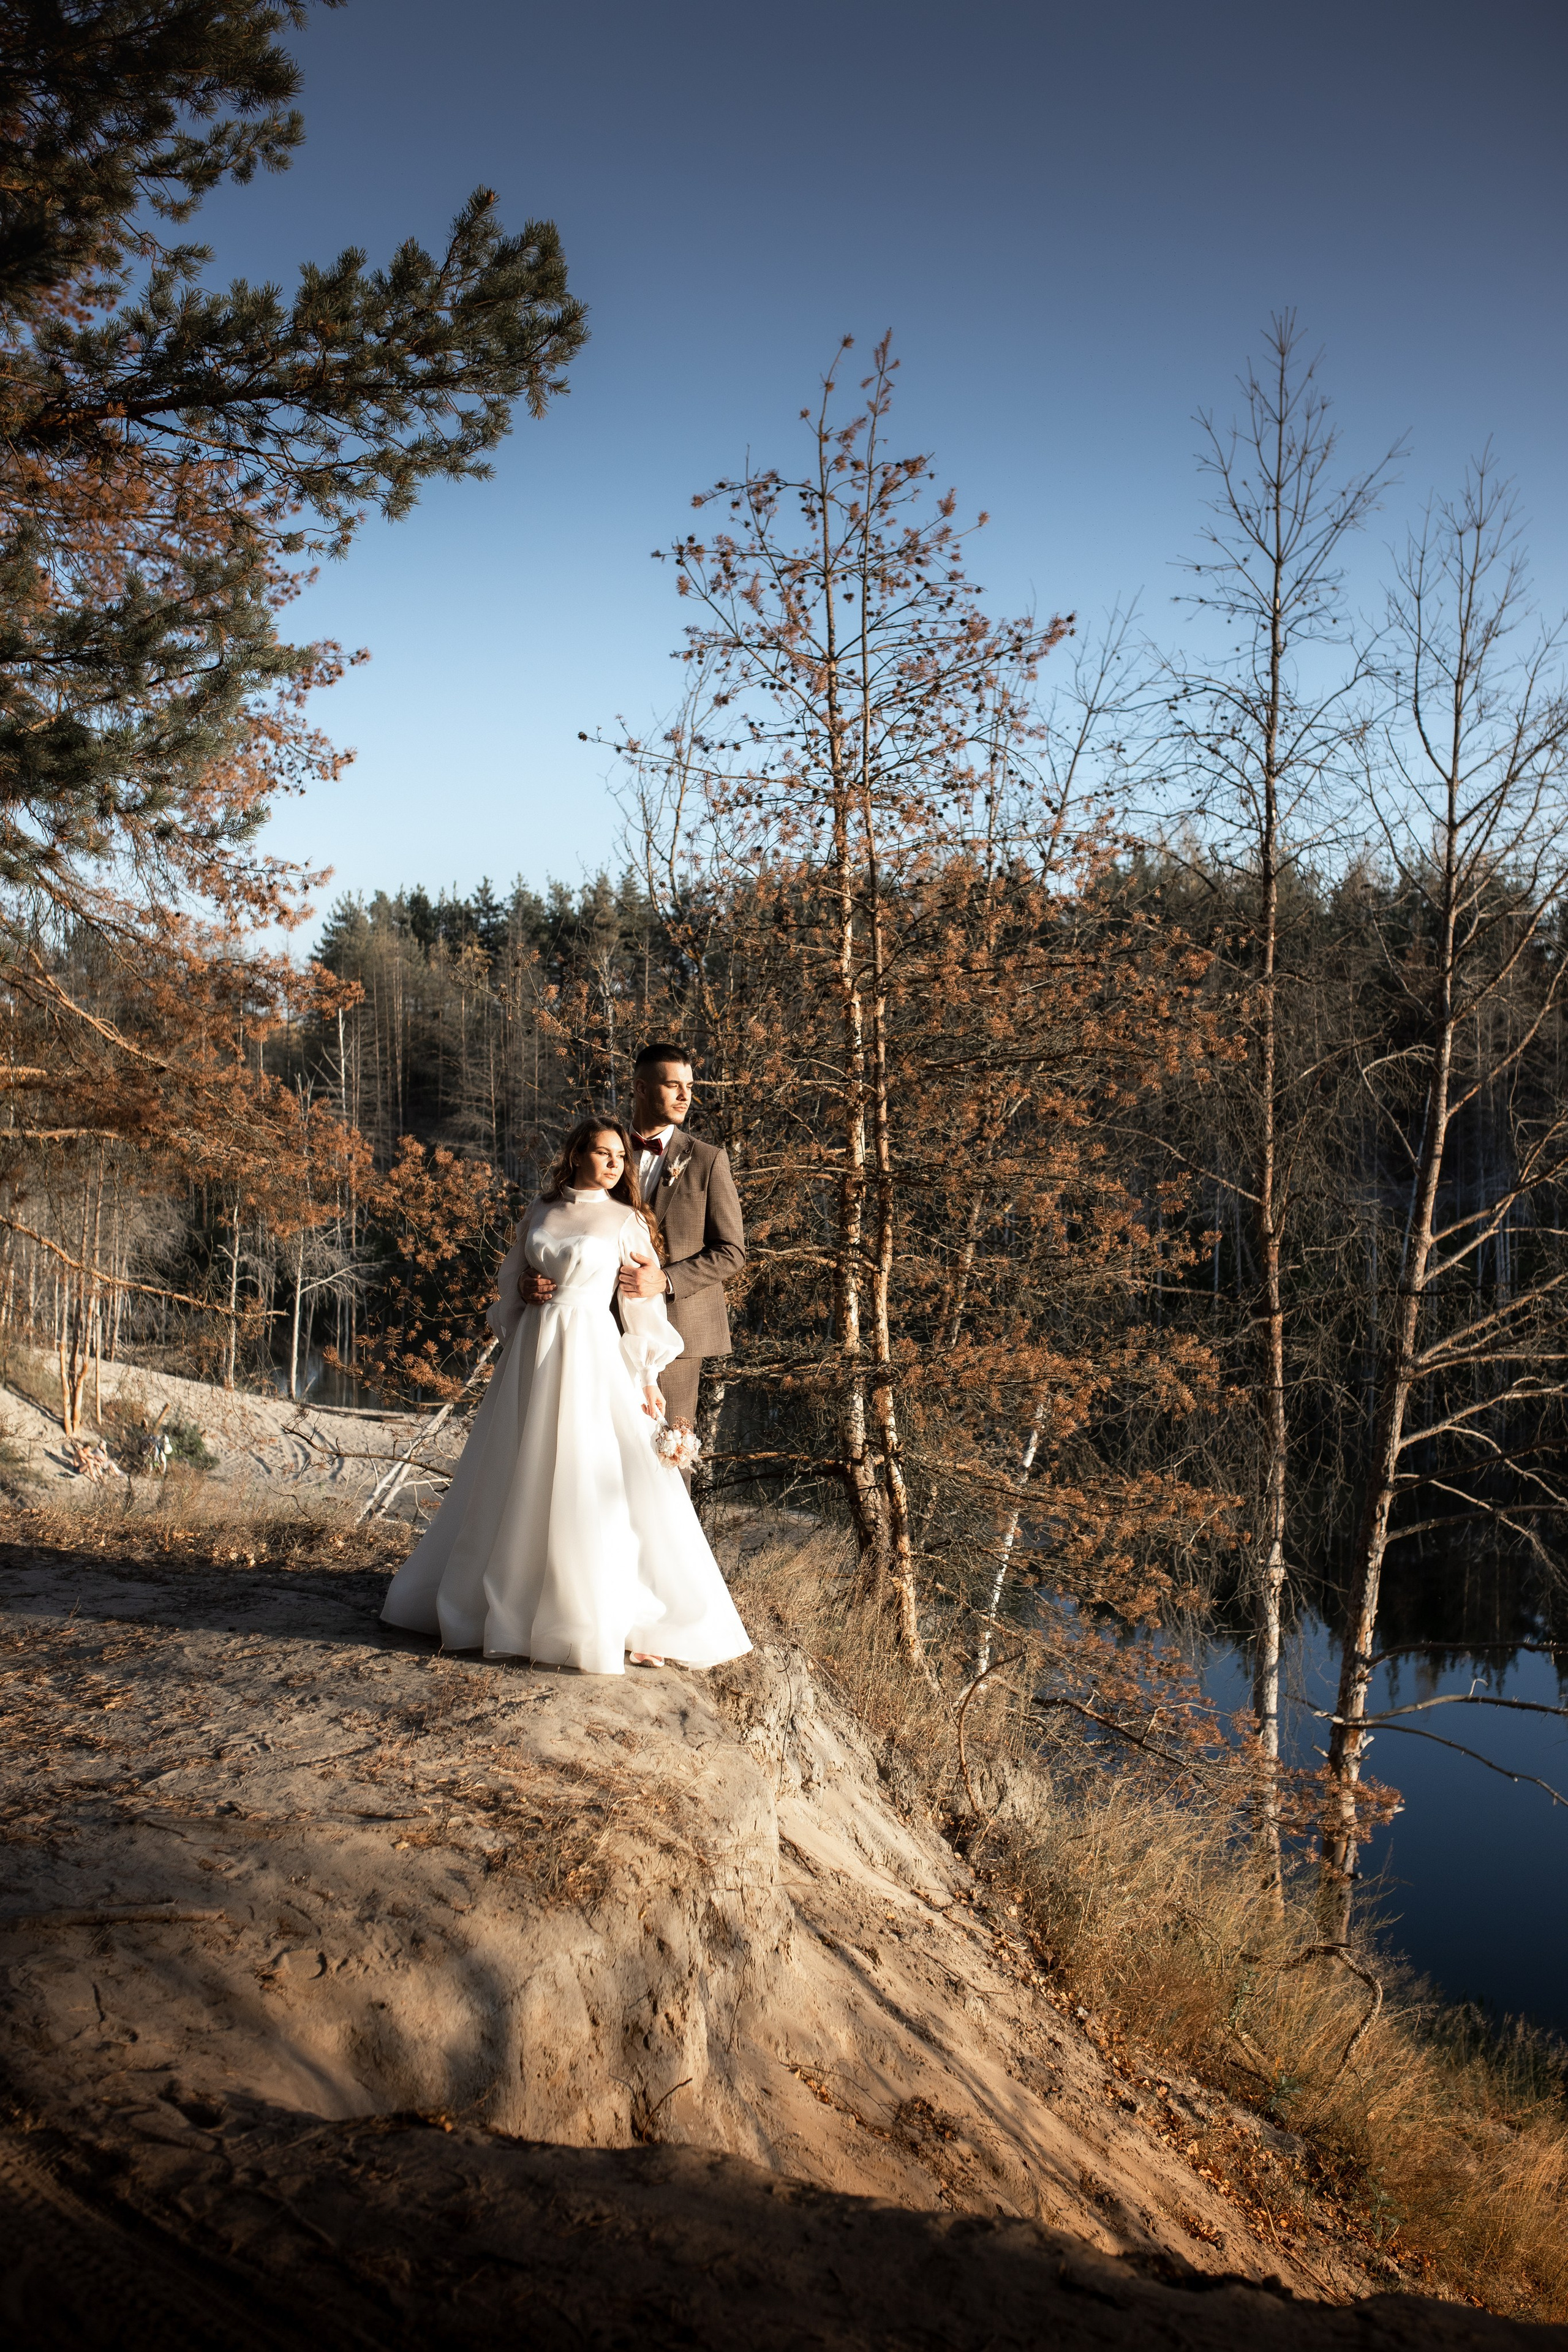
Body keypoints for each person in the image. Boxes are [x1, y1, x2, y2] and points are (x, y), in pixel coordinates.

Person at [379, 1115, 751, 1677]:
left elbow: (640, 1303)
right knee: (516, 1467)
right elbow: (510, 1280)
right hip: (532, 1352)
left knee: (586, 1470)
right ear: (576, 1154)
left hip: (590, 1353)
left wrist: (647, 1375)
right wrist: (523, 1288)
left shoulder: (627, 1221)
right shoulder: (539, 1210)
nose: (615, 1164)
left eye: (621, 1157)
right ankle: (507, 1601)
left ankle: (589, 1612)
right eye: (603, 1153)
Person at [518, 1042, 745, 1476]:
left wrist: (666, 1280)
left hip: (672, 1337)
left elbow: (732, 1251)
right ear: (641, 1088)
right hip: (590, 1334)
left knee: (664, 1461)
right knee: (589, 1459)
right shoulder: (603, 1149)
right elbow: (567, 1226)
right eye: (673, 1085)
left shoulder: (708, 1161)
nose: (686, 1095)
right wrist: (528, 1280)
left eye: (690, 1086)